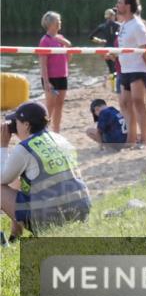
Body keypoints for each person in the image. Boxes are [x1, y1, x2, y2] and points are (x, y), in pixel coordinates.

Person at [2, 101, 91, 240]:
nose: (14, 126)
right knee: (19, 182)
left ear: (26, 125)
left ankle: (14, 237)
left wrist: (3, 146)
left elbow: (2, 178)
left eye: (16, 122)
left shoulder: (24, 148)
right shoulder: (60, 139)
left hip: (51, 220)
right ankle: (14, 237)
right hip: (81, 212)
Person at [116, 0, 146, 147]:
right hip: (125, 69)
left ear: (128, 5)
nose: (117, 5)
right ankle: (131, 138)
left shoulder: (137, 25)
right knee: (125, 103)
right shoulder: (124, 24)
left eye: (120, 2)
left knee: (138, 102)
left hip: (138, 69)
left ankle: (144, 139)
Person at [38, 12, 71, 132]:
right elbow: (43, 64)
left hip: (62, 76)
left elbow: (68, 59)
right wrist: (46, 82)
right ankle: (43, 131)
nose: (60, 23)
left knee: (59, 105)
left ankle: (56, 131)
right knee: (50, 106)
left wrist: (67, 45)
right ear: (51, 24)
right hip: (51, 78)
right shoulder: (44, 41)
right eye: (58, 21)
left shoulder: (61, 38)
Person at [89, 8, 120, 81]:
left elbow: (90, 37)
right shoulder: (118, 25)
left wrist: (100, 41)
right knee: (117, 69)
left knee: (111, 69)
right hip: (115, 49)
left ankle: (111, 86)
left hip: (106, 50)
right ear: (113, 16)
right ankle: (108, 81)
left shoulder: (102, 26)